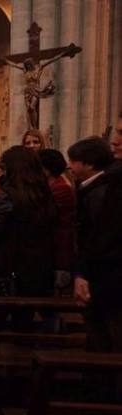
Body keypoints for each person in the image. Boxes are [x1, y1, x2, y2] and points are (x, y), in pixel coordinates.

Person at [0, 146, 58, 331]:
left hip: (9, 266)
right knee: (24, 323)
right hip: (38, 267)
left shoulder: (6, 194)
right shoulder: (44, 193)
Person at [68, 137, 122, 353]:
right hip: (102, 276)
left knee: (106, 338)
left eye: (73, 161)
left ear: (89, 164)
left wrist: (83, 273)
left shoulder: (103, 191)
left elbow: (98, 238)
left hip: (104, 278)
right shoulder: (97, 188)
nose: (69, 166)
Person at [38, 149, 76, 296]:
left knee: (52, 295)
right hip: (52, 244)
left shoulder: (61, 188)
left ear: (47, 168)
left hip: (59, 245)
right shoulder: (51, 184)